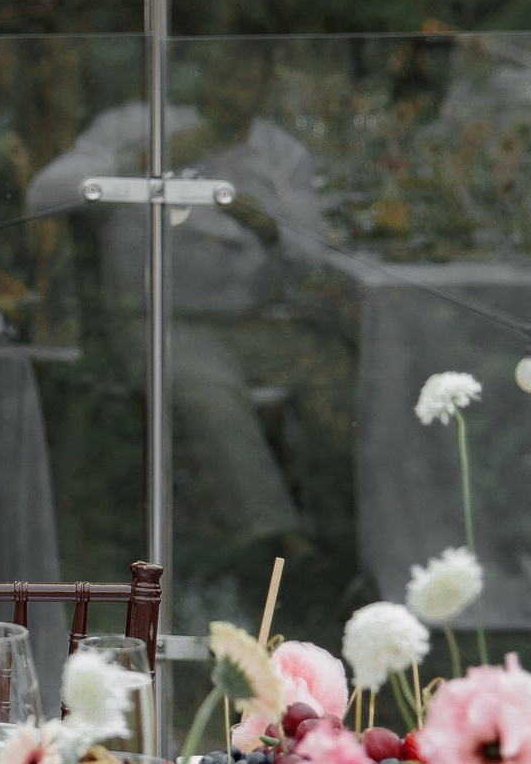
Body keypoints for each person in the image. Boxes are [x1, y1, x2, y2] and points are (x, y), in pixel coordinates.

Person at [26, 57, 333, 555]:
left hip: (254, 322)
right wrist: (142, 158)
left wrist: (266, 223)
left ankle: (355, 531)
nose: (229, 90)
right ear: (198, 75)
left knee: (338, 378)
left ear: (263, 88)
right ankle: (278, 544)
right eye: (221, 73)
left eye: (244, 78)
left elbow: (313, 253)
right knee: (210, 392)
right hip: (156, 319)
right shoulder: (137, 124)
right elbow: (43, 194)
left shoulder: (279, 153)